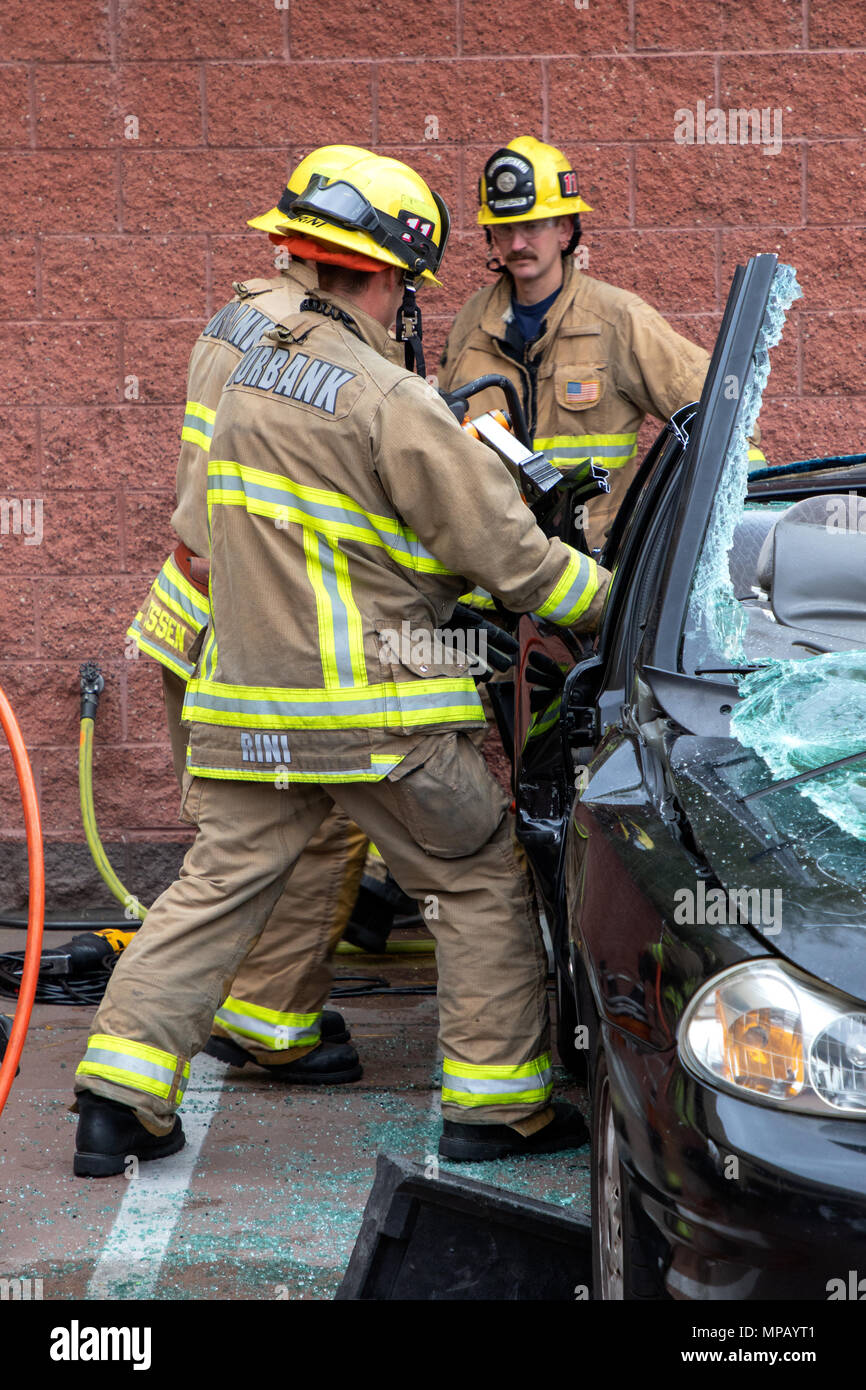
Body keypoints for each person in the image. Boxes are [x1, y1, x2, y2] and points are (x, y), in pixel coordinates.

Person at [72, 149, 613, 1176]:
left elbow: (224, 534)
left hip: (248, 709)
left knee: (215, 887)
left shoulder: (247, 379)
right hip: (377, 716)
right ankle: (498, 1109)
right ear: (390, 277)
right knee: (473, 877)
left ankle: (115, 1103)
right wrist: (608, 605)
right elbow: (505, 555)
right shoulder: (388, 397)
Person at [126, 147, 383, 1087]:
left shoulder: (236, 315)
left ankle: (237, 1013)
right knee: (320, 815)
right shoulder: (302, 342)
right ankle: (272, 1022)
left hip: (187, 609)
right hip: (250, 619)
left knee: (238, 835)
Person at [439, 136, 764, 548]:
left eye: (532, 226)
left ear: (565, 228)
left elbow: (724, 418)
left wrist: (735, 527)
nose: (518, 244)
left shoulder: (618, 320)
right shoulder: (472, 322)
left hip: (595, 565)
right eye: (505, 229)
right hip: (495, 566)